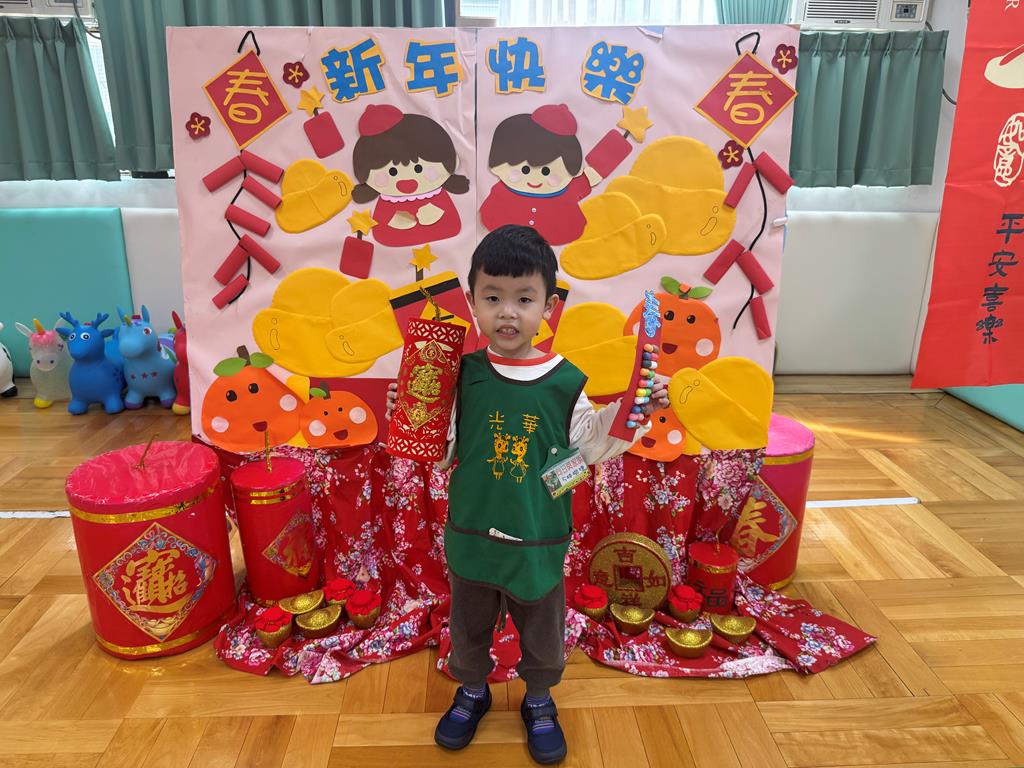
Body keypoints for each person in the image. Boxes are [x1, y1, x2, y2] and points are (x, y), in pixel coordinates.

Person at [387, 224, 669, 764]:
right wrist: (412, 410)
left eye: (524, 298)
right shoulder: (459, 374)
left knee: (543, 633)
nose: (508, 313)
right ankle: (473, 690)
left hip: (538, 540)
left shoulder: (564, 381)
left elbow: (590, 445)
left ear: (548, 306)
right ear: (472, 303)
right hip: (471, 537)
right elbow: (443, 450)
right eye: (492, 298)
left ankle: (538, 698)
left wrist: (637, 407)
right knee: (468, 629)